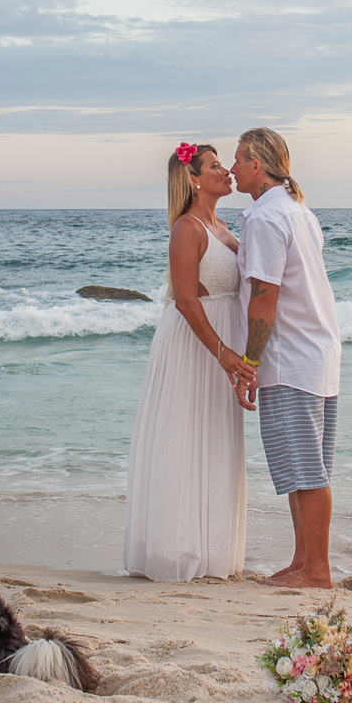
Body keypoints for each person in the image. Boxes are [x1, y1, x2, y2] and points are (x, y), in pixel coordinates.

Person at [123, 142, 250, 582]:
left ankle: (211, 550)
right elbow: (185, 300)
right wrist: (224, 353)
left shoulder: (223, 225)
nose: (226, 171)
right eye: (216, 166)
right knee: (184, 437)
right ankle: (176, 550)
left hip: (218, 347)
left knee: (214, 438)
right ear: (195, 178)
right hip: (195, 346)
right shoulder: (187, 228)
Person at [230, 128, 341, 589]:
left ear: (258, 165)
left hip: (291, 356)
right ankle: (303, 561)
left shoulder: (266, 219)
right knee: (302, 465)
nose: (233, 168)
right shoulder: (299, 212)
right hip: (316, 353)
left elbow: (264, 296)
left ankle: (317, 570)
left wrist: (248, 364)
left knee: (306, 468)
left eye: (238, 160)